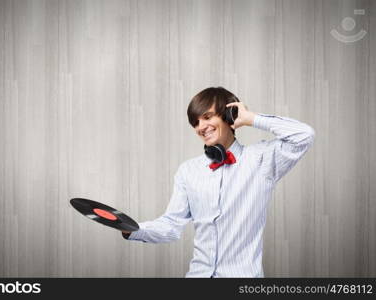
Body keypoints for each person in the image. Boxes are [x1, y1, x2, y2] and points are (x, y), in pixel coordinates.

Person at [122, 87, 315, 277]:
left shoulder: (261, 159)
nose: (200, 127)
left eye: (207, 117)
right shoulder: (188, 171)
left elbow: (304, 135)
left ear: (229, 116)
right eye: (195, 123)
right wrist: (131, 228)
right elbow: (171, 226)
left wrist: (250, 118)